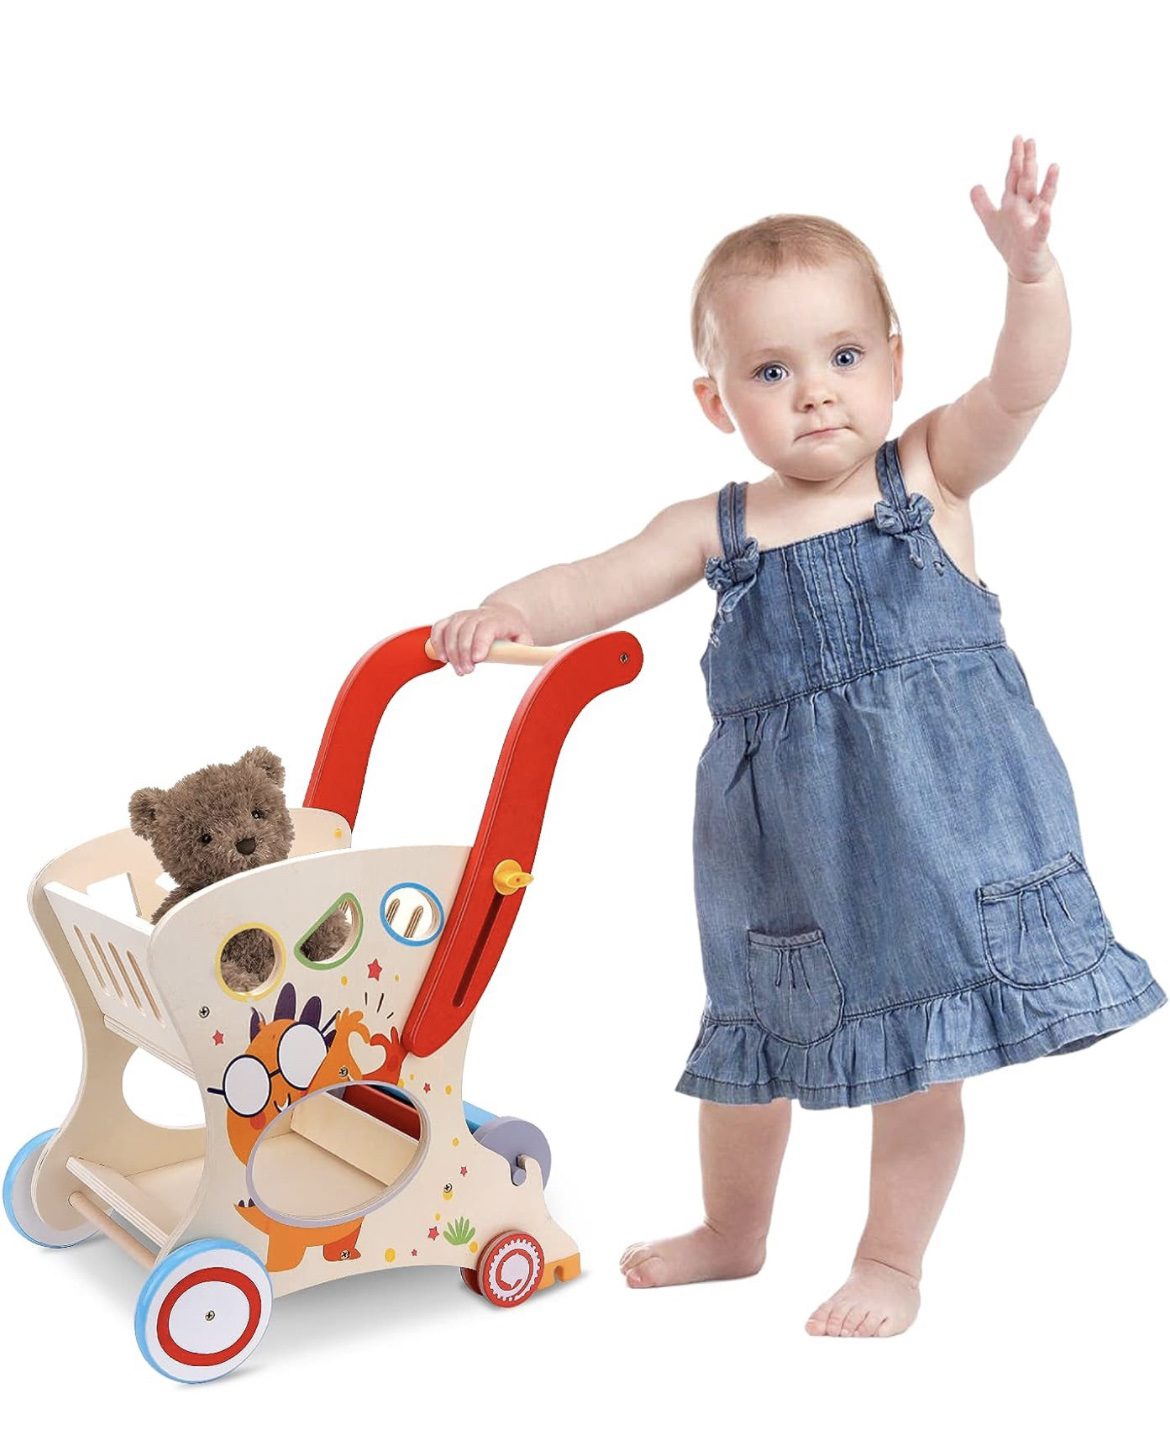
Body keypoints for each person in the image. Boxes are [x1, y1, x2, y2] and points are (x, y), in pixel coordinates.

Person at [428, 136, 1165, 1337]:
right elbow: (596, 580)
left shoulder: (929, 470)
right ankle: (734, 1230)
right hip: (782, 852)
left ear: (895, 363)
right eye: (773, 369)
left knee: (922, 1059)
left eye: (844, 355)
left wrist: (1032, 275)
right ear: (719, 401)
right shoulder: (716, 526)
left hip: (940, 845)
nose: (816, 390)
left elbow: (1022, 386)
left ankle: (890, 1259)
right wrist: (509, 609)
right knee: (751, 1046)